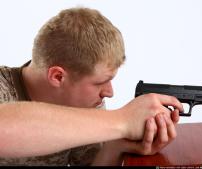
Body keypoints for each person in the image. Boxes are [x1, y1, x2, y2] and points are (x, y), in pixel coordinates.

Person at [0, 7, 183, 166]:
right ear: (58, 76)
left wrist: (116, 145)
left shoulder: (85, 102)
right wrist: (122, 120)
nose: (110, 92)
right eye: (100, 82)